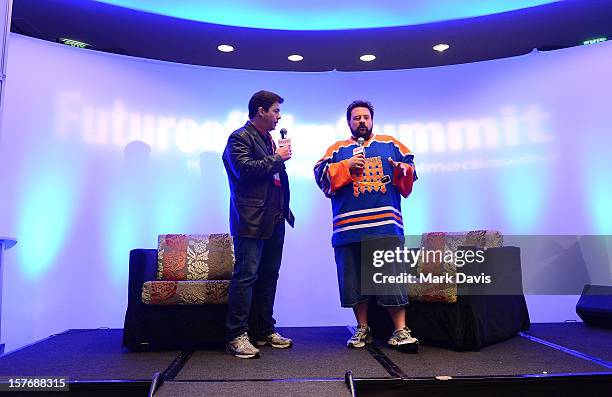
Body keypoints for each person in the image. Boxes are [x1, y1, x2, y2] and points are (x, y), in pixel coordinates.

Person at [313, 100, 419, 352]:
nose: (361, 121)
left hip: (384, 226)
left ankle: (401, 330)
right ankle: (362, 328)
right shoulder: (336, 150)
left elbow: (410, 172)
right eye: (356, 117)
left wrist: (402, 169)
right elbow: (320, 176)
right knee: (354, 281)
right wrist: (345, 166)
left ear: (372, 120)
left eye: (365, 117)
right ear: (348, 122)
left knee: (390, 278)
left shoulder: (391, 144)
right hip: (348, 229)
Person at [222, 90, 295, 359]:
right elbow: (244, 170)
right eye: (275, 111)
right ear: (261, 110)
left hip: (274, 218)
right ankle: (236, 335)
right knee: (247, 276)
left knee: (268, 276)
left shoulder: (268, 140)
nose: (279, 117)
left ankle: (264, 329)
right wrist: (278, 158)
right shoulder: (239, 137)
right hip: (251, 220)